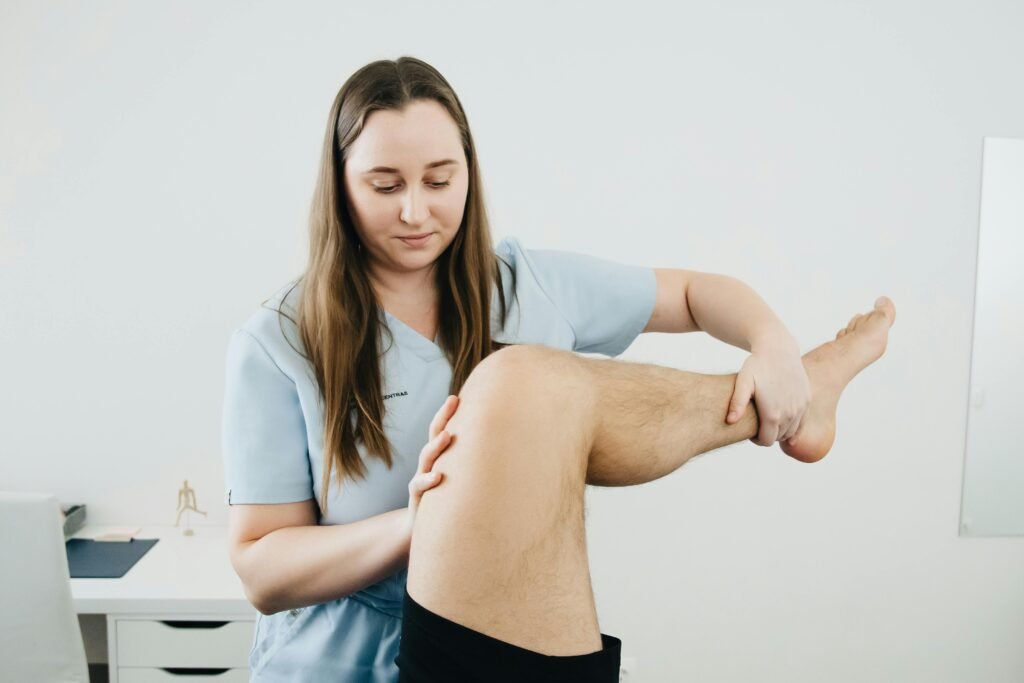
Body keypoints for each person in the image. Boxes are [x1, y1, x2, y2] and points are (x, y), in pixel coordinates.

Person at [221, 55, 896, 682]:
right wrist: (416, 521)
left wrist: (772, 344)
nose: (415, 211)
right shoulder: (278, 341)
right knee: (518, 382)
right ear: (340, 184)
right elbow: (261, 569)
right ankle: (799, 403)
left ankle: (797, 395)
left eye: (440, 180)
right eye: (385, 185)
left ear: (469, 172)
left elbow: (694, 292)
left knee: (533, 383)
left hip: (505, 631)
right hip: (346, 663)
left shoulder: (525, 286)